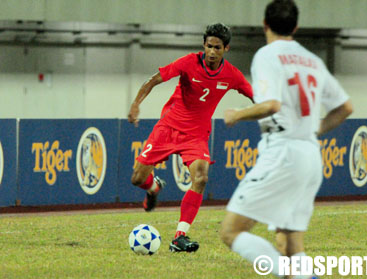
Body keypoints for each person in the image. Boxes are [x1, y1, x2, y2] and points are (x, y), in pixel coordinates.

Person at [220, 0, 353, 278]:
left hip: (283, 153)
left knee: (231, 231)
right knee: (291, 244)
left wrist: (237, 114)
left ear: (264, 24)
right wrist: (312, 129)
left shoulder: (268, 56)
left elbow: (271, 105)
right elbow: (345, 108)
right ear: (296, 26)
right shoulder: (312, 60)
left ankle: (289, 274)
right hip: (310, 154)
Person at [128, 23, 253, 253]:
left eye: (217, 47)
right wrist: (136, 104)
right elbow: (155, 79)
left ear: (226, 48)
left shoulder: (232, 75)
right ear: (203, 45)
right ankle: (154, 187)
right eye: (209, 46)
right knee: (137, 178)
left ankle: (180, 236)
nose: (212, 52)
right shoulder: (188, 63)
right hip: (168, 128)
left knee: (201, 177)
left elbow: (256, 96)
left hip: (196, 135)